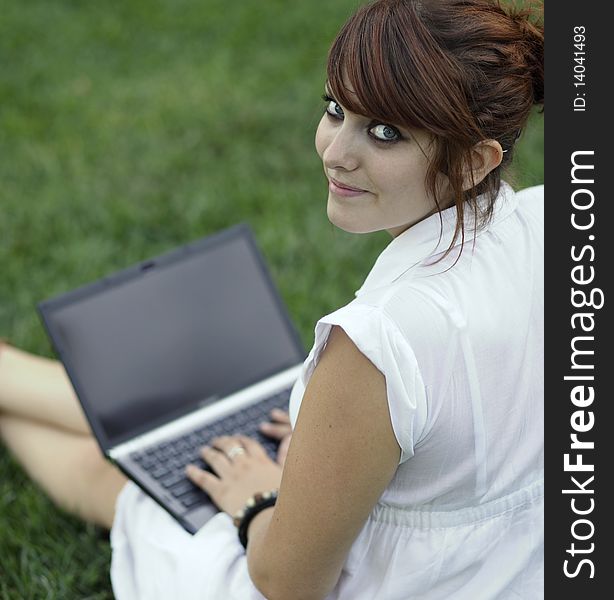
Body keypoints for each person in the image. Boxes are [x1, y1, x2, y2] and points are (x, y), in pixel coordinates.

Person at [0, 0, 544, 598]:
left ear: (473, 162)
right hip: (511, 567)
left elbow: (288, 583)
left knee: (146, 493)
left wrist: (257, 497)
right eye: (336, 109)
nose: (336, 151)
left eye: (386, 132)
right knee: (195, 432)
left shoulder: (382, 339)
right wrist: (332, 452)